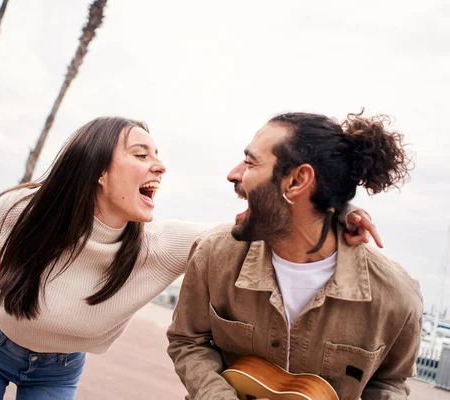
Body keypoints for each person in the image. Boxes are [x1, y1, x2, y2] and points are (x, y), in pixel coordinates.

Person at [0, 117, 377, 400]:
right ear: (100, 171)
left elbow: (254, 231)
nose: (160, 166)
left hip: (57, 373)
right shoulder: (29, 210)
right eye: (141, 154)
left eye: (158, 154)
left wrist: (335, 220)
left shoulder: (160, 245)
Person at [166, 111, 422, 400]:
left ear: (297, 181)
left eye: (250, 162)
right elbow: (187, 340)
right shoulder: (214, 254)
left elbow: (389, 383)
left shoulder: (397, 296)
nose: (233, 174)